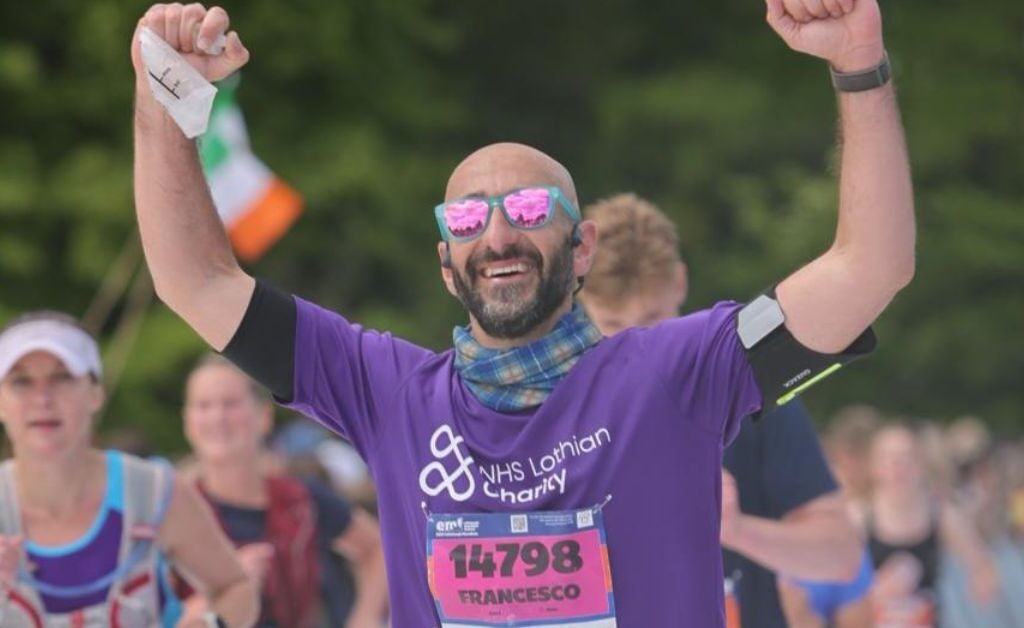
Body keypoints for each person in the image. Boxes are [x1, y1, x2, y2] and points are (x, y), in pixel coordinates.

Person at [130, 0, 915, 624]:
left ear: (582, 248)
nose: (499, 232)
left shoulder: (678, 372)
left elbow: (870, 269)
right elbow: (193, 280)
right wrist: (165, 101)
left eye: (530, 207)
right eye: (468, 219)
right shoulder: (386, 391)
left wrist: (858, 67)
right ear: (446, 265)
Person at [580, 193, 861, 627]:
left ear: (679, 283)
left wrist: (736, 529)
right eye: (614, 326)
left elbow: (840, 554)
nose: (636, 347)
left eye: (652, 320)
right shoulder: (563, 411)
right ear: (580, 305)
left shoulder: (745, 392)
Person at [0, 311, 258, 627]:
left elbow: (236, 586)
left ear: (96, 393)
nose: (42, 398)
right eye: (21, 381)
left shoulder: (153, 491)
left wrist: (208, 625)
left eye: (62, 377)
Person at [180, 354, 389, 627]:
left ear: (263, 416)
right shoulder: (171, 508)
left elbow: (377, 547)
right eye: (204, 406)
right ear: (187, 420)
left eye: (230, 404)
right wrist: (228, 590)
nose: (218, 417)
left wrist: (365, 618)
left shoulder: (300, 498)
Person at [863, 422, 998, 626]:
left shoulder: (941, 516)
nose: (897, 466)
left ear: (920, 463)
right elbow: (831, 585)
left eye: (905, 457)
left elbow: (982, 565)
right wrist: (879, 589)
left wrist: (982, 582)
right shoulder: (858, 517)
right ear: (873, 466)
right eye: (888, 457)